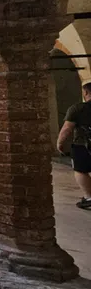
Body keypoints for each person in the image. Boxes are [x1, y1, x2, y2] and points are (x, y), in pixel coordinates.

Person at [57, 81, 91, 209]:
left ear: (86, 92)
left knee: (80, 171)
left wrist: (60, 143)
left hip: (83, 145)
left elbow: (67, 128)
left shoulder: (78, 108)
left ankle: (89, 197)